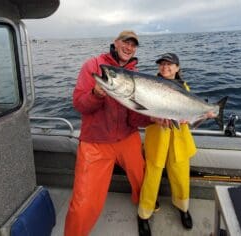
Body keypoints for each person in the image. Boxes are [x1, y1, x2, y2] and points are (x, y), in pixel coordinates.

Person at [64, 30, 153, 236]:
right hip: (95, 141)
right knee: (84, 201)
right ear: (115, 42)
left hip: (127, 137)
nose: (129, 47)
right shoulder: (93, 66)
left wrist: (152, 118)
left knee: (142, 177)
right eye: (125, 42)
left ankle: (144, 211)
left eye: (133, 45)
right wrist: (95, 95)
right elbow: (79, 104)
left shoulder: (136, 74)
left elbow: (135, 118)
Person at [137, 53, 197, 236]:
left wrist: (202, 115)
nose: (165, 67)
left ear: (178, 68)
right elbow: (140, 111)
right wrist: (152, 117)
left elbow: (192, 110)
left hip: (180, 140)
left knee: (181, 175)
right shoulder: (148, 85)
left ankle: (183, 207)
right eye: (162, 64)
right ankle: (143, 215)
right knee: (152, 176)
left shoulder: (184, 87)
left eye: (170, 64)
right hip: (157, 138)